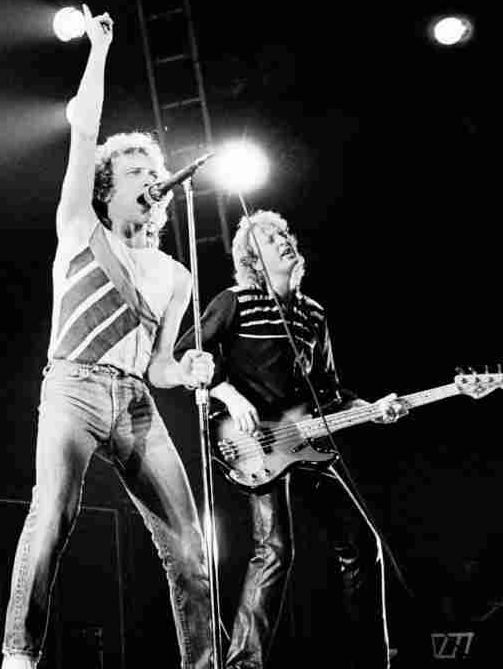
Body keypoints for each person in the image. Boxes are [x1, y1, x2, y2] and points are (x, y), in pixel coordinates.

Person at [1, 5, 216, 669]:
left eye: (154, 173)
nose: (151, 180)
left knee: (191, 549)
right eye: (135, 174)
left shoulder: (175, 276)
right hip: (74, 387)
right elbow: (85, 127)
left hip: (136, 404)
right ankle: (18, 657)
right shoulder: (79, 226)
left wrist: (190, 368)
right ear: (106, 190)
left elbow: (160, 367)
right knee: (53, 515)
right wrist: (97, 50)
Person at [174, 210, 408, 669]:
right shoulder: (235, 301)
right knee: (276, 549)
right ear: (252, 260)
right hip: (253, 444)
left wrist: (372, 409)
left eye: (283, 233)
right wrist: (228, 394)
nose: (283, 240)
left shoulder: (313, 314)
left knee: (362, 544)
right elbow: (187, 351)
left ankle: (371, 661)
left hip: (306, 443)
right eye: (269, 238)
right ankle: (244, 664)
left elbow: (330, 392)